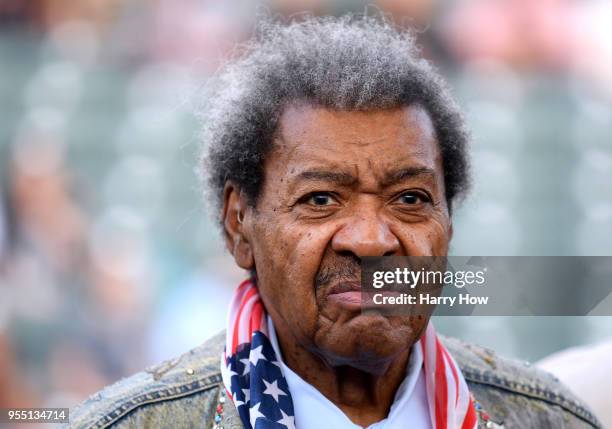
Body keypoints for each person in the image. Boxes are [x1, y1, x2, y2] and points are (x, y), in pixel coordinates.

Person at [69, 16, 601, 429]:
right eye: (322, 199)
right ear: (239, 226)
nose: (371, 238)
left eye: (410, 198)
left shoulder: (548, 417)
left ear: (449, 223)